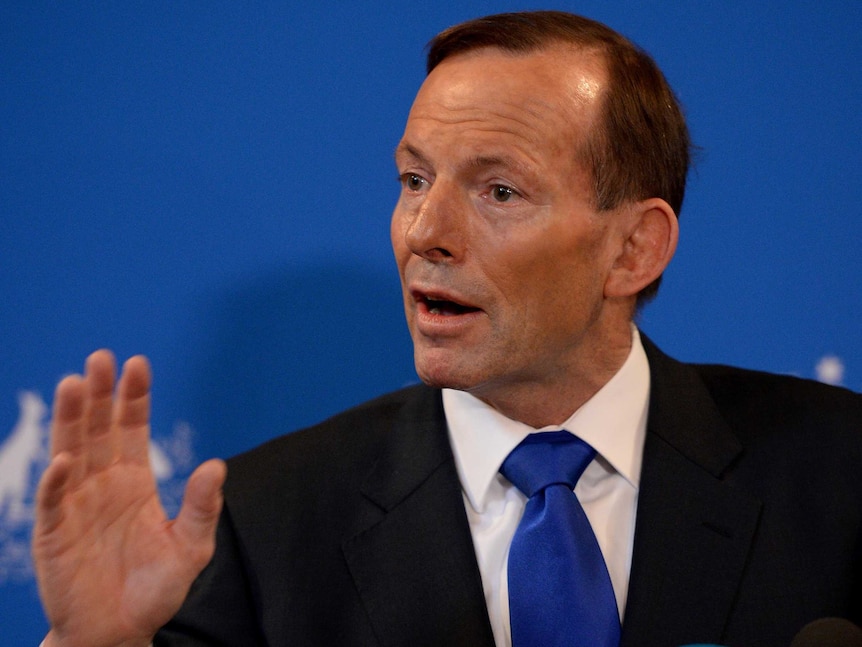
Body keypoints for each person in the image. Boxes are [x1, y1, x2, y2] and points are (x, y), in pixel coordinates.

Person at [32, 10, 862, 647]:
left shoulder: (840, 474)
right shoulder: (267, 522)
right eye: (414, 177)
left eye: (499, 191)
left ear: (633, 248)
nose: (423, 230)